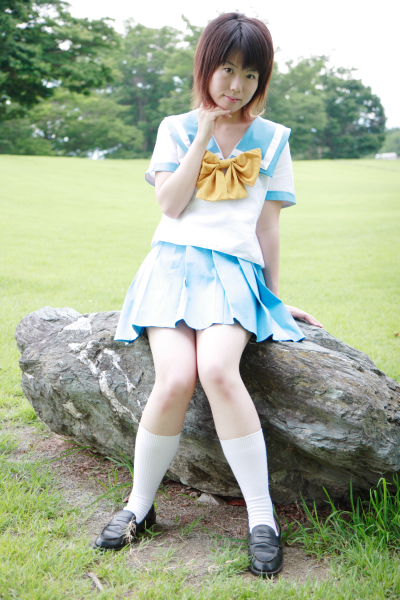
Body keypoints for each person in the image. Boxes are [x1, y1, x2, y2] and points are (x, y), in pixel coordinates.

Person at [93, 12, 323, 578]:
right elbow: (171, 206)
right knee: (175, 378)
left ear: (262, 78)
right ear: (206, 67)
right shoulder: (174, 128)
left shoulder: (274, 139)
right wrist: (202, 134)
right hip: (170, 270)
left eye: (250, 74)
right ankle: (139, 506)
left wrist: (272, 298)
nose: (236, 85)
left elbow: (268, 227)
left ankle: (262, 517)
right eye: (227, 69)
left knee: (219, 370)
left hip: (234, 276)